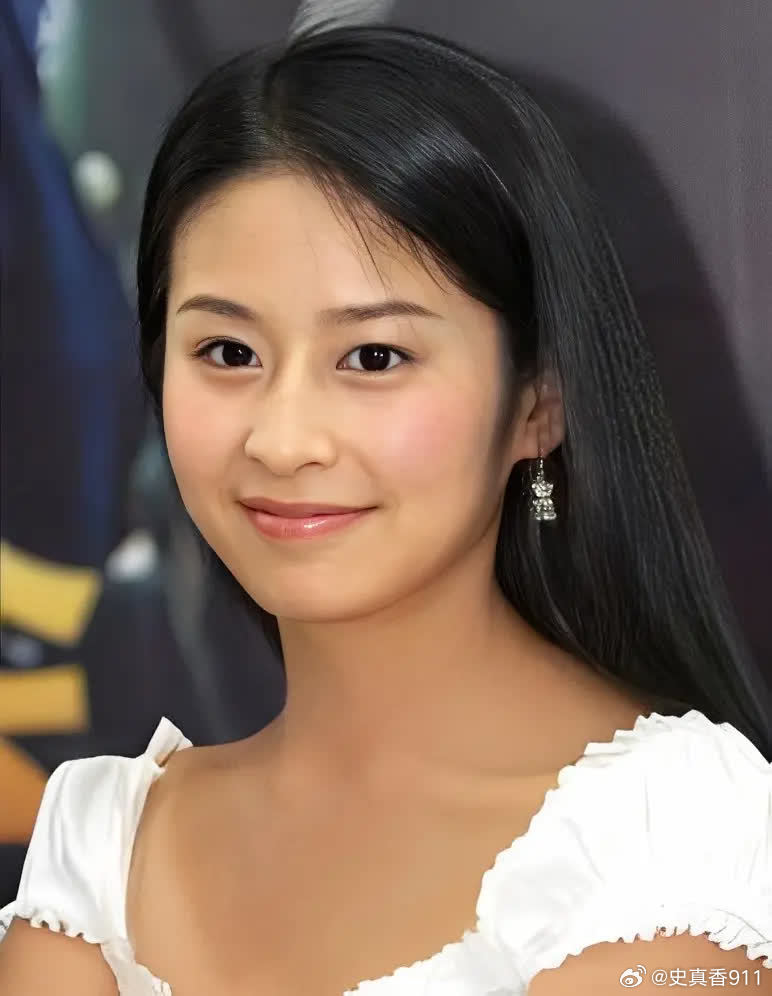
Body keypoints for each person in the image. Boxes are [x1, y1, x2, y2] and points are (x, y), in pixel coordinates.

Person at [1, 20, 770, 996]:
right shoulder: (105, 839)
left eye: (373, 357)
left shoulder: (668, 841)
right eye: (228, 353)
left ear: (538, 403)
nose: (283, 438)